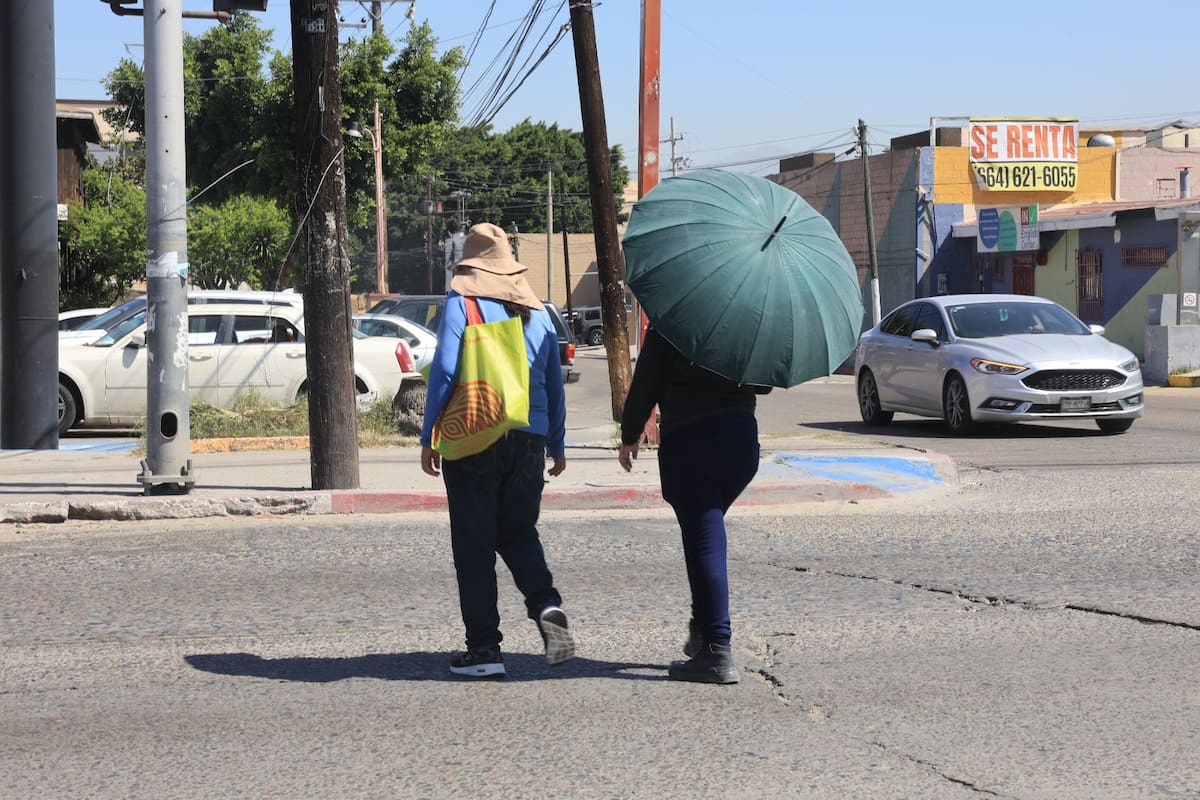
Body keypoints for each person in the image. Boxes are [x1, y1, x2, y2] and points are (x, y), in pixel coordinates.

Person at [421, 222, 573, 679]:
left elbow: (446, 371)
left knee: (474, 544)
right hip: (529, 440)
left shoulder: (462, 304)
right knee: (518, 532)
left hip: (475, 434)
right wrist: (557, 442)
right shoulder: (539, 312)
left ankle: (484, 650)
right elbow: (553, 383)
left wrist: (430, 434)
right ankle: (546, 606)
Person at [618, 328, 765, 685]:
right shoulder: (745, 319)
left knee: (704, 536)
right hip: (741, 440)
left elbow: (647, 380)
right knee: (702, 533)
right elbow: (764, 383)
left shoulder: (674, 318)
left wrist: (629, 433)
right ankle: (702, 631)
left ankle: (716, 648)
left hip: (694, 439)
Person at [442, 219, 466, 293]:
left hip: (455, 279)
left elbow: (448, 264)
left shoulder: (449, 241)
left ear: (449, 231)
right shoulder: (465, 238)